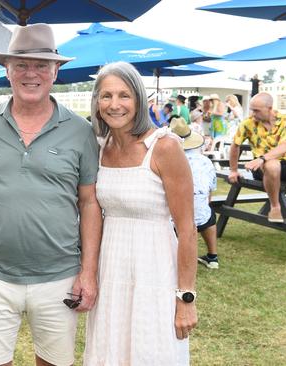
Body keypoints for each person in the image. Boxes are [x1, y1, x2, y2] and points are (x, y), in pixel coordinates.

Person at [0, 23, 102, 366]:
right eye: (21, 65)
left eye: (41, 65)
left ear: (56, 71)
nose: (31, 73)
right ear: (7, 70)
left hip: (59, 274)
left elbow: (90, 202)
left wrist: (89, 271)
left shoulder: (80, 131)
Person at [83, 61, 198, 365]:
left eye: (124, 95)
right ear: (96, 102)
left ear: (138, 98)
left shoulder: (164, 147)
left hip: (155, 269)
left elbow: (187, 229)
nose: (114, 104)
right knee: (111, 349)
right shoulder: (100, 145)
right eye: (106, 96)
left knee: (151, 349)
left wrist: (186, 298)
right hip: (111, 269)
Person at [229, 92, 286, 223]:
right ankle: (275, 207)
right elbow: (235, 145)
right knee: (272, 165)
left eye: (256, 111)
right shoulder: (247, 123)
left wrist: (262, 158)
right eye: (251, 110)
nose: (253, 114)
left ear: (269, 108)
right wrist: (233, 170)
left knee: (272, 163)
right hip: (262, 169)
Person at [170, 117, 219, 269]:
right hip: (201, 214)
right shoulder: (206, 161)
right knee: (209, 213)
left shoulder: (169, 159)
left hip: (174, 218)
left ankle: (173, 256)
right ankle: (213, 257)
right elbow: (210, 193)